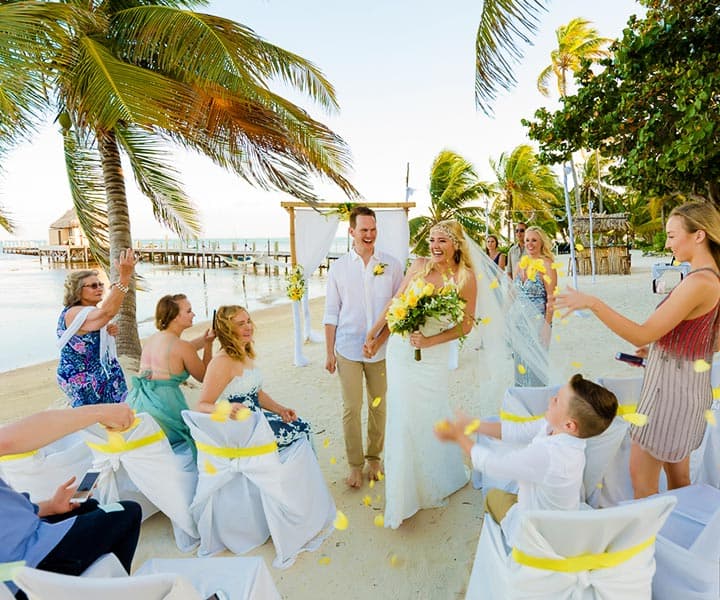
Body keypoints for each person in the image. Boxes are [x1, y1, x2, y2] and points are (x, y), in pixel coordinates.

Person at [557, 202, 720, 498]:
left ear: (699, 235)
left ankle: (652, 543)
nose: (668, 243)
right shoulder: (712, 278)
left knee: (643, 485)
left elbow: (641, 332)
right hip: (688, 390)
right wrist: (660, 349)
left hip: (668, 394)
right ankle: (677, 540)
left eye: (672, 235)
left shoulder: (698, 282)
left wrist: (594, 303)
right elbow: (711, 340)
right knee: (679, 481)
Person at [367, 220, 477, 528]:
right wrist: (374, 334)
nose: (435, 245)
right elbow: (395, 303)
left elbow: (466, 325)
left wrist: (430, 341)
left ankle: (437, 478)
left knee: (431, 411)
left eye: (442, 240)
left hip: (434, 355)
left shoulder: (464, 277)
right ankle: (403, 493)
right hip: (402, 351)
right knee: (401, 415)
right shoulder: (417, 265)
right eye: (431, 239)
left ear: (456, 244)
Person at [434, 374, 617, 542]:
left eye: (557, 401)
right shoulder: (558, 429)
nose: (550, 399)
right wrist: (474, 425)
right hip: (559, 512)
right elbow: (517, 431)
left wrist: (459, 437)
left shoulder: (550, 455)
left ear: (570, 424)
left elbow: (493, 464)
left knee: (492, 496)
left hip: (540, 531)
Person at [0, 403, 142, 598]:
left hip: (17, 559)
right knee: (127, 512)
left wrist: (49, 506)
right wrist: (103, 412)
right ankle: (114, 591)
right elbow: (6, 440)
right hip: (30, 564)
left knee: (90, 506)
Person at [323, 206, 403, 488]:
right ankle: (355, 465)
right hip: (347, 348)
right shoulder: (339, 268)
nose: (369, 235)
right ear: (352, 232)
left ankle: (374, 458)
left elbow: (398, 312)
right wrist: (329, 352)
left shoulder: (392, 265)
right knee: (352, 407)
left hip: (381, 351)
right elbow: (331, 313)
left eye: (373, 230)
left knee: (378, 406)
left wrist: (379, 341)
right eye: (363, 230)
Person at [197, 305, 311, 449]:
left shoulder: (245, 355)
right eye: (240, 324)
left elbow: (257, 393)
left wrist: (281, 410)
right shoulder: (221, 362)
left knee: (302, 424)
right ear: (227, 331)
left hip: (257, 421)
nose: (248, 327)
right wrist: (225, 409)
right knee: (302, 430)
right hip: (240, 429)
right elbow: (202, 405)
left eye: (248, 321)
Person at [127, 294, 214, 458]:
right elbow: (205, 377)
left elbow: (178, 351)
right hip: (164, 406)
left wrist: (203, 339)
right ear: (175, 317)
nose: (193, 314)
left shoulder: (153, 339)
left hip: (138, 403)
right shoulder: (182, 347)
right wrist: (208, 345)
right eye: (188, 311)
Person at [56, 249, 136, 407]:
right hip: (84, 381)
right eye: (93, 286)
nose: (99, 288)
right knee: (94, 425)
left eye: (100, 284)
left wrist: (104, 332)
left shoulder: (87, 313)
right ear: (78, 290)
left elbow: (102, 317)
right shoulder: (74, 313)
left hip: (101, 376)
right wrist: (124, 278)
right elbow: (107, 312)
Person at [510, 226, 558, 386]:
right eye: (527, 240)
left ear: (541, 243)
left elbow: (551, 300)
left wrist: (547, 325)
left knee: (536, 366)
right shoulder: (519, 264)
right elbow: (512, 295)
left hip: (537, 323)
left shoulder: (547, 265)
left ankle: (539, 405)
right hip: (518, 322)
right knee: (520, 364)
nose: (530, 244)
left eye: (534, 240)